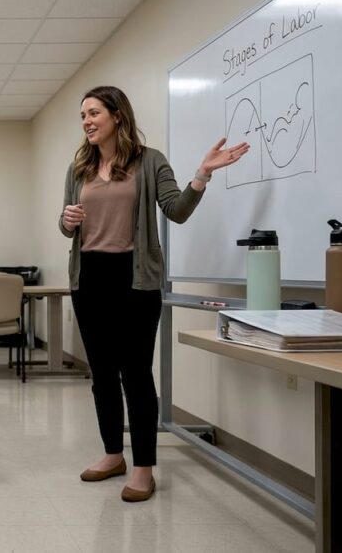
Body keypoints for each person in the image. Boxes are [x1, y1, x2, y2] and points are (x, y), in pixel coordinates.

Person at [59, 86, 249, 502]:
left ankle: (143, 467)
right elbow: (66, 223)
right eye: (83, 116)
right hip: (88, 279)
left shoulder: (150, 161)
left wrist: (202, 175)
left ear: (117, 116)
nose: (87, 121)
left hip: (135, 279)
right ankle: (113, 455)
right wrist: (68, 219)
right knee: (102, 376)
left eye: (93, 113)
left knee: (136, 375)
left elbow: (176, 211)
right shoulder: (79, 168)